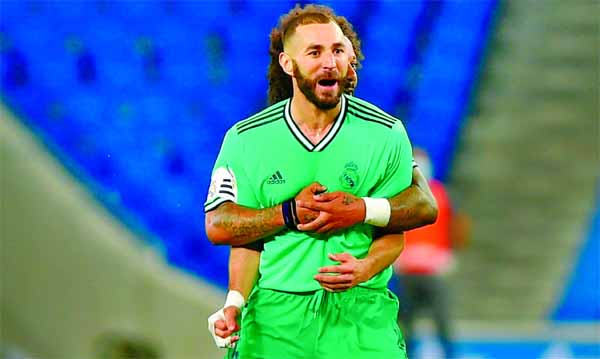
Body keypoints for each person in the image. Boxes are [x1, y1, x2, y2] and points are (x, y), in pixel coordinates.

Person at [204, 4, 434, 358]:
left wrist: (363, 267)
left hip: (359, 314)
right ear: (287, 63)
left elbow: (397, 231)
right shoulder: (247, 140)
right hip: (275, 318)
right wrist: (235, 301)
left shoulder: (385, 134)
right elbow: (232, 231)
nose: (329, 62)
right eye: (315, 52)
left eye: (338, 50)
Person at [394, 149, 471, 359]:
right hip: (407, 269)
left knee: (442, 321)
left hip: (433, 269)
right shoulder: (400, 193)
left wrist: (451, 254)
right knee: (405, 323)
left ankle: (450, 355)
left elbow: (458, 225)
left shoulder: (442, 194)